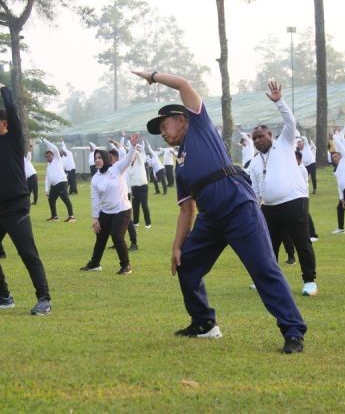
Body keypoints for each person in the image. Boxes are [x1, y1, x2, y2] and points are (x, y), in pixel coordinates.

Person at [134, 70, 307, 355]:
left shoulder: (200, 125)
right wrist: (177, 247)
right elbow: (186, 210)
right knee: (186, 264)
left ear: (182, 119)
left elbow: (183, 84)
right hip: (211, 219)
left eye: (165, 126)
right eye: (160, 131)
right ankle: (204, 323)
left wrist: (153, 76)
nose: (163, 133)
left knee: (264, 269)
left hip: (239, 207)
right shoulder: (180, 164)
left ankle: (292, 330)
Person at [0, 82, 52, 315]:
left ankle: (44, 299)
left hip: (16, 207)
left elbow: (15, 115)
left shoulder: (14, 138)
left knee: (27, 252)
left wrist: (5, 91)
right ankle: (3, 295)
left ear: (5, 124)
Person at [248, 81, 318, 297]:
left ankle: (309, 282)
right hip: (269, 207)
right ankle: (266, 280)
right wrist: (256, 208)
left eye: (261, 136)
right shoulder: (255, 162)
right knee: (268, 246)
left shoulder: (285, 143)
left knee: (301, 241)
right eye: (254, 138)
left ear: (270, 135)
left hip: (294, 201)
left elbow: (291, 121)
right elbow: (256, 188)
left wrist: (279, 101)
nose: (258, 140)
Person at [80, 133, 139, 275]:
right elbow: (95, 199)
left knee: (117, 235)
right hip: (105, 212)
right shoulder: (95, 178)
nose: (97, 160)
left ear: (106, 158)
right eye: (95, 158)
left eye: (100, 157)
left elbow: (129, 158)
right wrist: (95, 219)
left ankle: (126, 266)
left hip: (122, 210)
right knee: (100, 237)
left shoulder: (117, 168)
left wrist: (133, 145)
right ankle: (95, 264)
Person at [43, 139, 75, 222]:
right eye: (46, 156)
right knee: (51, 199)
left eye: (49, 155)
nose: (48, 157)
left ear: (53, 155)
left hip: (61, 182)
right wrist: (46, 189)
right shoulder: (48, 166)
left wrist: (45, 140)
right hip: (54, 185)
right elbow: (47, 178)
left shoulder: (57, 159)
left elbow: (55, 148)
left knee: (65, 199)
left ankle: (71, 217)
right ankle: (54, 216)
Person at [128, 142, 151, 228]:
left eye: (133, 156)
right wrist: (130, 191)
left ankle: (148, 223)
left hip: (143, 186)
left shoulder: (140, 161)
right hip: (134, 188)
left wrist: (133, 147)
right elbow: (129, 180)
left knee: (144, 205)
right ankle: (135, 222)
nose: (133, 158)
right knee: (135, 206)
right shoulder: (129, 167)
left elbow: (137, 153)